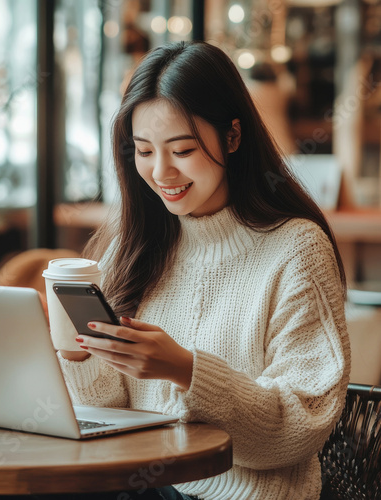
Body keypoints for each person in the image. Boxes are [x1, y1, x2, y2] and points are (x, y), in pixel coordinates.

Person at [57, 41, 351, 500]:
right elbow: (108, 410)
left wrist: (186, 370)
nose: (160, 172)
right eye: (144, 151)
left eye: (182, 149)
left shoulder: (296, 249)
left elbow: (301, 424)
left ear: (232, 137)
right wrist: (77, 355)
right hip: (135, 484)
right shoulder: (134, 246)